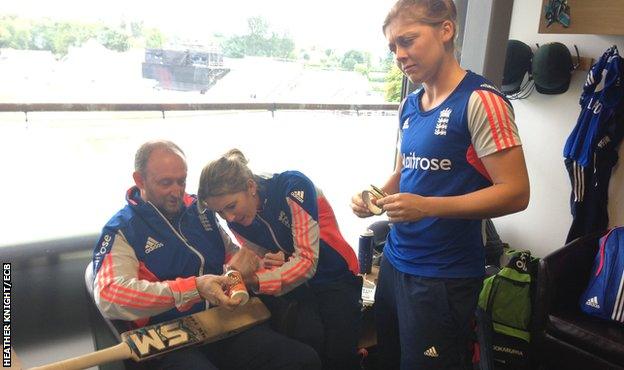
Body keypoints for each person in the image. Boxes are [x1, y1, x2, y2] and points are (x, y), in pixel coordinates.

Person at [350, 1, 530, 369]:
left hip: (443, 276)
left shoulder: (482, 102)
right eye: (392, 48)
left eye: (408, 40)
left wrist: (429, 206)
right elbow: (405, 172)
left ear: (445, 31)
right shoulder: (411, 105)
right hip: (396, 263)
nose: (399, 55)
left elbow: (516, 192)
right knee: (388, 358)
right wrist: (376, 196)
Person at [92, 140, 320, 370]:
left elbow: (233, 258)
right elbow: (109, 295)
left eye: (181, 181)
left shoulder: (200, 211)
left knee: (302, 360)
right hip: (171, 341)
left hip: (223, 325)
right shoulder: (122, 230)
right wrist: (194, 288)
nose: (177, 191)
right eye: (165, 183)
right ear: (140, 180)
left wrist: (257, 262)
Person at [197, 149, 362, 370]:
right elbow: (261, 259)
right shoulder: (236, 220)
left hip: (334, 273)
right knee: (308, 343)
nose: (229, 218)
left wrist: (254, 279)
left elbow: (306, 261)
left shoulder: (293, 187)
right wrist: (245, 271)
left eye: (231, 206)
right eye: (220, 213)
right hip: (298, 282)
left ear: (250, 186)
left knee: (338, 356)